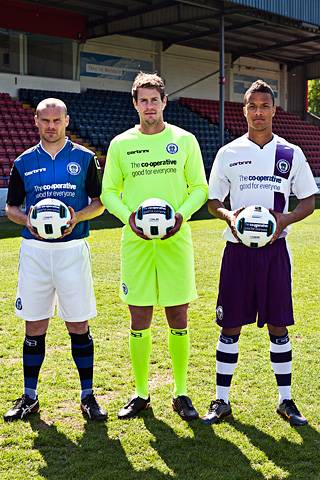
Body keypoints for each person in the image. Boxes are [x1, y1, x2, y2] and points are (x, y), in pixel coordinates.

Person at [202, 79, 318, 426]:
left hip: (274, 250)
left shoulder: (290, 153)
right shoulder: (229, 153)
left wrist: (283, 220)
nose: (258, 112)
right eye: (252, 106)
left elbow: (309, 201)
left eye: (264, 106)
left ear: (273, 110)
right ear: (244, 111)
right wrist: (230, 217)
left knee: (279, 325)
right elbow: (213, 202)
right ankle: (221, 401)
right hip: (237, 251)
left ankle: (286, 400)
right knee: (230, 325)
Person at [101, 72, 208, 420]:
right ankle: (141, 393)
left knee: (178, 314)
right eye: (143, 100)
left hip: (176, 241)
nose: (149, 106)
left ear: (165, 102)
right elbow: (108, 193)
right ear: (135, 104)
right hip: (136, 243)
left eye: (154, 100)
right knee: (140, 316)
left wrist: (180, 216)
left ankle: (180, 392)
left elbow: (199, 189)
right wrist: (129, 218)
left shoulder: (185, 140)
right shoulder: (120, 144)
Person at [4, 98, 107, 422]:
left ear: (66, 121)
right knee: (34, 325)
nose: (51, 126)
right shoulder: (22, 162)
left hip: (72, 249)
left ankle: (88, 396)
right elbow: (12, 209)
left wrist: (76, 217)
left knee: (78, 324)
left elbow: (99, 203)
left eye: (56, 120)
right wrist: (28, 220)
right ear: (35, 121)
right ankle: (30, 397)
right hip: (35, 252)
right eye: (45, 120)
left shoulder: (84, 158)